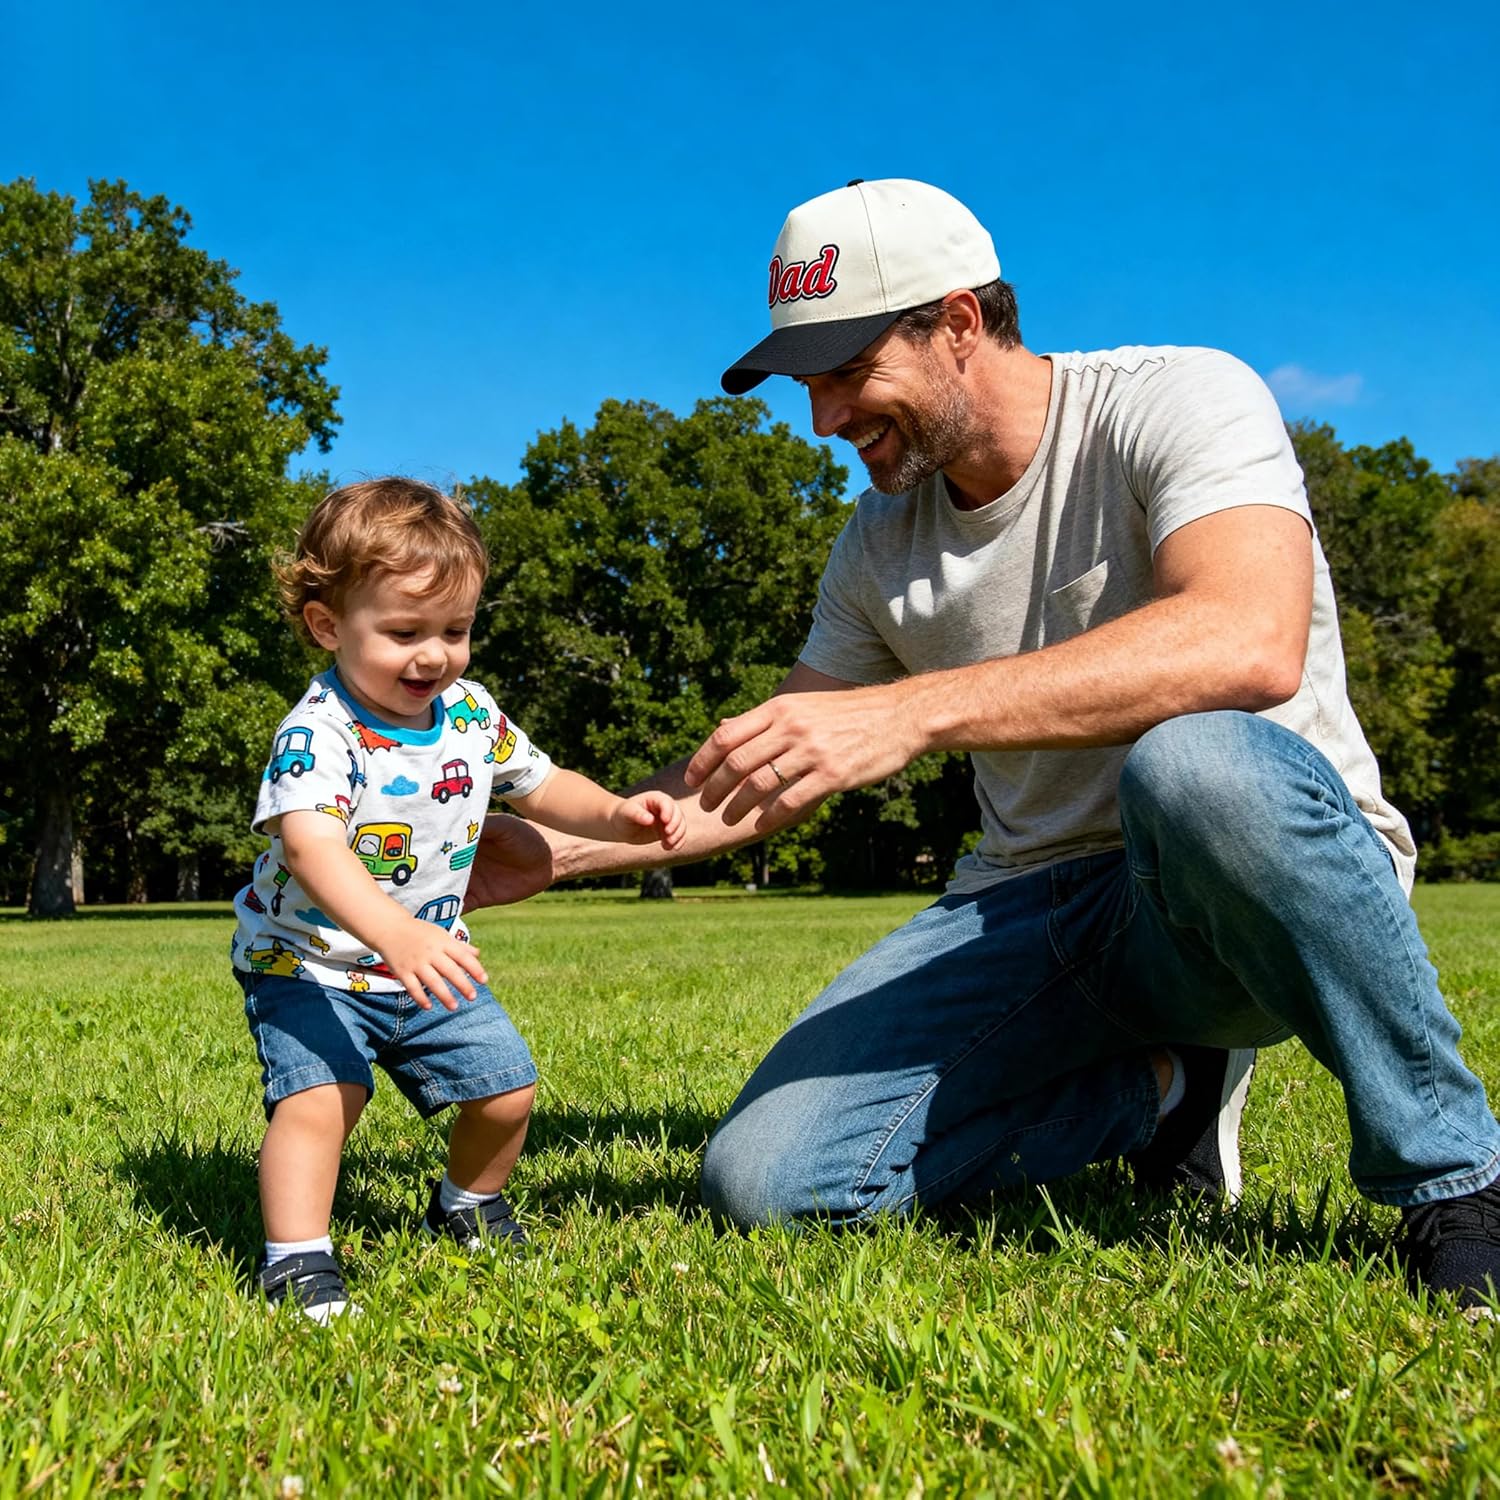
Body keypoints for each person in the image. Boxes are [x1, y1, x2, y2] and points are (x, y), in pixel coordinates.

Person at [468, 180, 1500, 1311]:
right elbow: (775, 764)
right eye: (809, 381)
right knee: (767, 1180)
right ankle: (1166, 1095)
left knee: (1194, 764)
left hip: (1248, 879)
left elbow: (1247, 641)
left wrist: (911, 711)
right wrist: (556, 848)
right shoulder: (877, 546)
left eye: (849, 372)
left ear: (960, 324)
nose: (823, 419)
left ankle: (1457, 1182)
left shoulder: (1180, 401)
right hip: (1036, 903)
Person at [230, 478, 684, 1321]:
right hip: (310, 963)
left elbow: (544, 785)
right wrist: (392, 934)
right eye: (403, 632)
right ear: (328, 625)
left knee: (506, 1089)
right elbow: (310, 846)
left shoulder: (469, 715)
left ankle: (467, 1204)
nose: (433, 655)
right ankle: (297, 1260)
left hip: (429, 960)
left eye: (456, 630)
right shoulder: (319, 731)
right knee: (324, 1098)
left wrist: (617, 814)